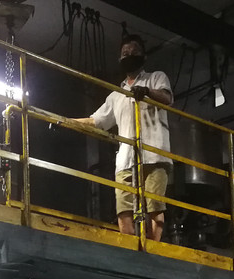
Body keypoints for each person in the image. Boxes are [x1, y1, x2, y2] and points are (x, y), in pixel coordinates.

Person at [70, 35, 174, 242]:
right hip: (126, 160)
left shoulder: (155, 78)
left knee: (154, 207)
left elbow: (167, 98)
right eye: (125, 53)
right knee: (123, 211)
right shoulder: (116, 94)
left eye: (134, 51)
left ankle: (152, 248)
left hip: (154, 154)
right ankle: (130, 248)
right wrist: (65, 122)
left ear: (143, 56)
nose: (129, 55)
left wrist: (146, 92)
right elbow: (96, 121)